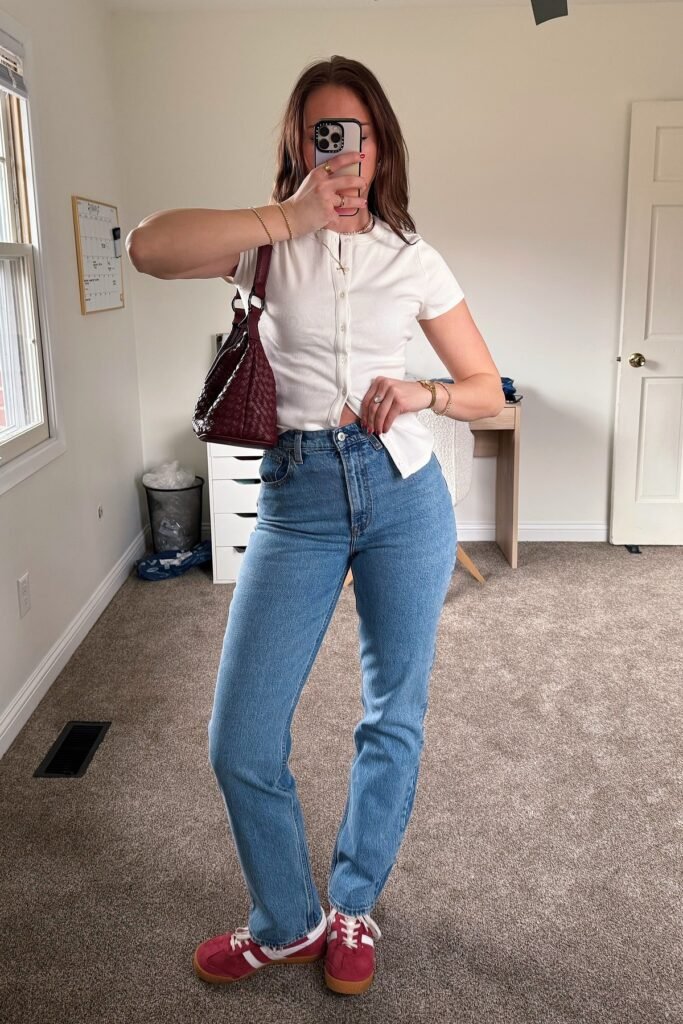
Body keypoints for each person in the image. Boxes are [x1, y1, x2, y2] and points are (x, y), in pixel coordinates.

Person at [127, 55, 503, 997]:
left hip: (402, 491)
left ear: (381, 147)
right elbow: (146, 246)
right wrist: (285, 217)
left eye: (354, 133)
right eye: (320, 132)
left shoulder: (412, 257)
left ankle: (353, 905)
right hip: (295, 497)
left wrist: (422, 390)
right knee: (240, 738)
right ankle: (288, 922)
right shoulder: (262, 244)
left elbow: (485, 391)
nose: (340, 150)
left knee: (392, 714)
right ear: (299, 145)